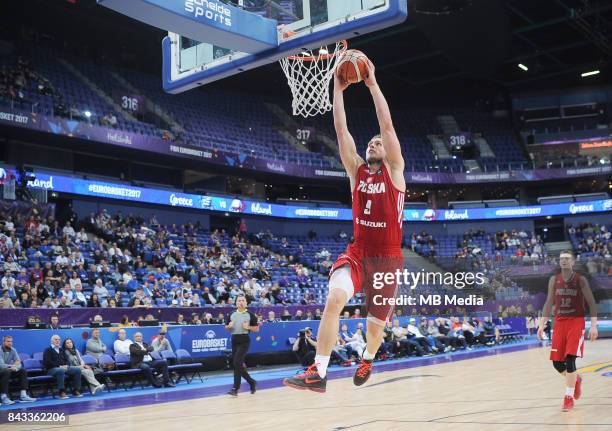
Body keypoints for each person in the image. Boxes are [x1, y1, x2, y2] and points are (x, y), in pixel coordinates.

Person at [285, 58, 405, 392]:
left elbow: (388, 126)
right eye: (370, 143)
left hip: (387, 259)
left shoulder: (395, 171)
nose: (373, 144)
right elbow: (341, 130)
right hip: (357, 252)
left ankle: (368, 357)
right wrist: (336, 89)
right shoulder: (357, 170)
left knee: (374, 329)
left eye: (377, 142)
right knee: (334, 300)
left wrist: (372, 85)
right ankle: (318, 372)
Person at [538, 250, 598, 411]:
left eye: (567, 259)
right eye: (561, 258)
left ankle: (568, 397)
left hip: (576, 322)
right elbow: (549, 301)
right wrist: (542, 323)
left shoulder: (580, 280)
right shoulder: (554, 280)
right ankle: (576, 379)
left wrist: (593, 325)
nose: (563, 261)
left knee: (570, 359)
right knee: (557, 363)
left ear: (572, 262)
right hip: (559, 322)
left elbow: (591, 303)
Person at [225, 295, 259, 396]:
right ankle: (251, 382)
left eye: (243, 300)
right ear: (236, 303)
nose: (241, 302)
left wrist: (248, 327)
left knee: (236, 362)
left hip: (244, 340)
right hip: (234, 340)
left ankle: (235, 388)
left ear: (246, 303)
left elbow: (257, 329)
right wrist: (228, 327)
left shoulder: (250, 315)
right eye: (239, 300)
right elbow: (226, 327)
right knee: (237, 364)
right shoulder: (231, 314)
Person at [42, 335, 82, 399]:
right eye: (56, 339)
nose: (58, 341)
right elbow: (47, 362)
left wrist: (67, 365)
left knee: (77, 369)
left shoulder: (61, 350)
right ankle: (61, 392)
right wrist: (59, 366)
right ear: (51, 341)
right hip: (51, 369)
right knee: (60, 370)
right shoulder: (48, 350)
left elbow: (67, 360)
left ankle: (76, 390)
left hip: (63, 368)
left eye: (59, 339)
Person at [0, 335, 36, 404]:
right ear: (3, 342)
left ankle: (23, 395)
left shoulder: (13, 350)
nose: (10, 343)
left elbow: (18, 362)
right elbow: (1, 365)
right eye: (8, 341)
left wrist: (16, 368)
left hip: (8, 370)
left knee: (22, 371)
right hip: (2, 371)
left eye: (11, 341)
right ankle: (3, 397)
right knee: (6, 371)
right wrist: (12, 366)